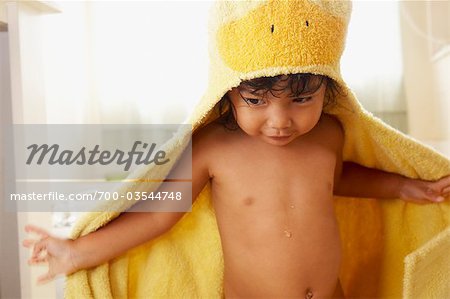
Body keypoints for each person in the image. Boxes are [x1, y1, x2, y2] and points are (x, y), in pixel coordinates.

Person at [24, 73, 450, 298]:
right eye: (257, 101)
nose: (280, 120)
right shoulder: (214, 146)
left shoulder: (329, 134)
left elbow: (335, 180)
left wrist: (402, 187)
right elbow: (158, 213)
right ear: (228, 94)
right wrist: (76, 251)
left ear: (328, 89)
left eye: (302, 100)